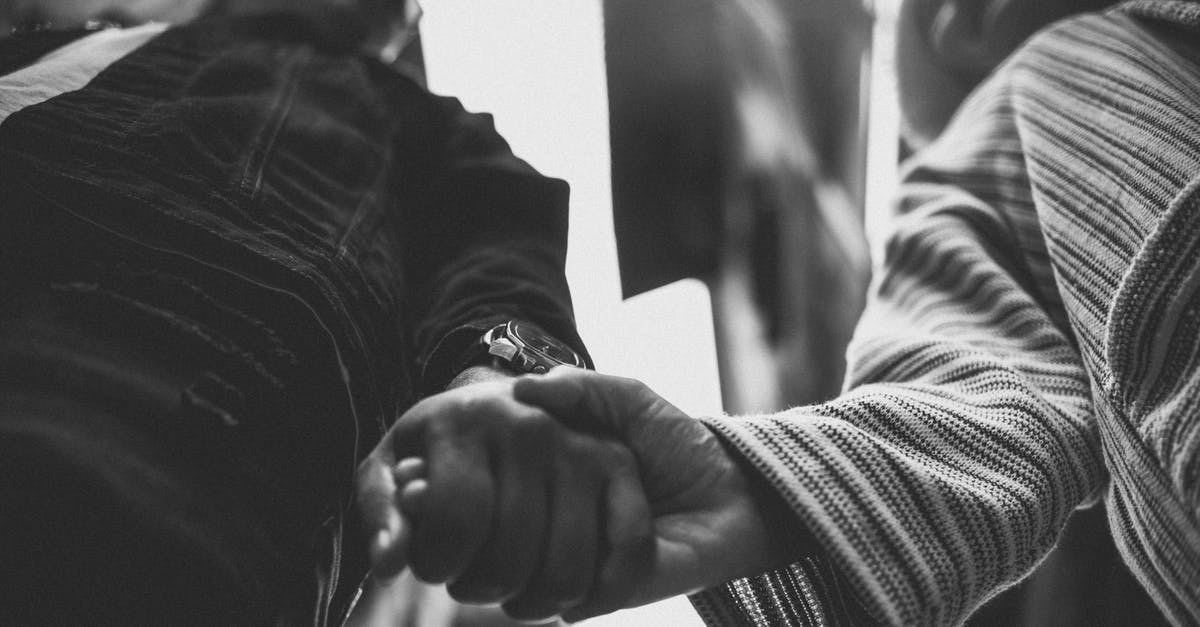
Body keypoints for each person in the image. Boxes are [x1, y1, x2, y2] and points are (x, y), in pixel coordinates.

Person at [360, 0, 1200, 624]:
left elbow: (971, 405)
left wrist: (742, 486)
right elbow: (976, 404)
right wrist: (745, 482)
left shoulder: (1026, 96)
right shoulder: (1012, 130)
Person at [0, 3, 623, 624]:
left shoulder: (430, 124)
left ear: (405, 29)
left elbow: (499, 248)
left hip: (212, 433)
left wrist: (506, 378)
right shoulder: (84, 42)